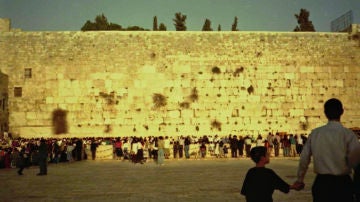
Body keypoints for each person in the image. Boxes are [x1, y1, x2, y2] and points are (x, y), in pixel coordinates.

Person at [293, 98, 360, 202]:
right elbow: (356, 162)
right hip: (343, 184)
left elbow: (304, 158)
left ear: (325, 113)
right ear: (342, 111)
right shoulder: (349, 135)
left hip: (322, 184)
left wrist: (300, 179)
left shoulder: (315, 134)